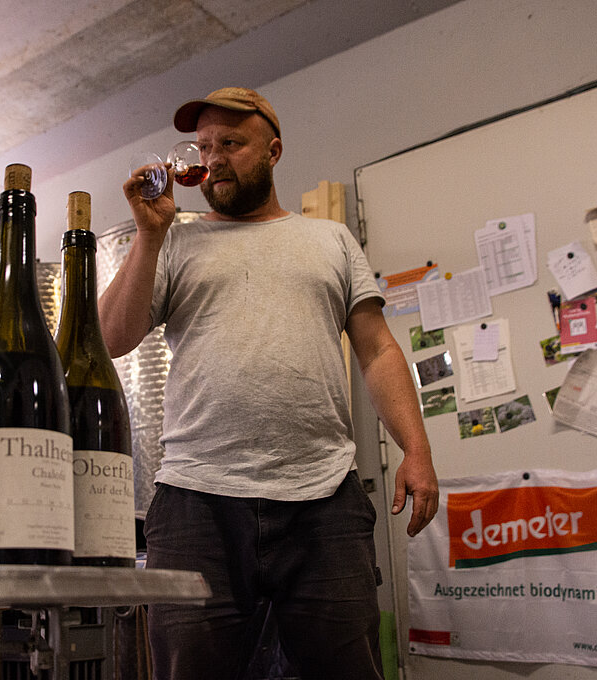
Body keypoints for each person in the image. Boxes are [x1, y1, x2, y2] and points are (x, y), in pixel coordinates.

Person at [99, 86, 438, 680]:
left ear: (274, 150)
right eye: (205, 145)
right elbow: (107, 339)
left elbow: (379, 349)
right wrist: (150, 234)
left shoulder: (329, 240)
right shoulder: (173, 240)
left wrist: (417, 448)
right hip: (196, 500)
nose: (214, 158)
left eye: (231, 143)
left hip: (322, 496)